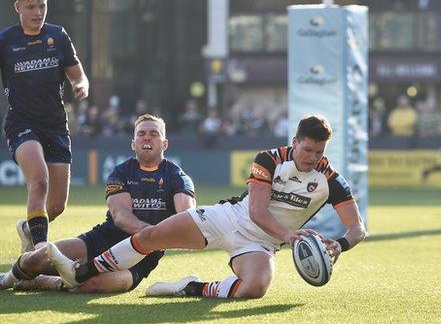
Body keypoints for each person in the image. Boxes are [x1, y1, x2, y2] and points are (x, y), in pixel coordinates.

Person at [48, 114, 366, 299]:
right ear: (295, 142)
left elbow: (357, 229)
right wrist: (292, 235)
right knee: (153, 236)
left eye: (318, 151)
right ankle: (82, 272)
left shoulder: (331, 180)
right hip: (226, 218)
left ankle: (191, 286)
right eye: (307, 149)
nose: (312, 157)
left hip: (262, 243)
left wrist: (338, 245)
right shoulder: (270, 158)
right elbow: (256, 212)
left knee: (254, 288)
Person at [0, 114, 196, 293]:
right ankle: (5, 279)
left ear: (164, 143)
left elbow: (186, 218)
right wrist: (155, 233)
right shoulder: (121, 172)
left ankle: (39, 282)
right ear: (133, 143)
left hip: (142, 256)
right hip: (104, 239)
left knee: (92, 285)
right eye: (141, 134)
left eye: (153, 134)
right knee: (38, 259)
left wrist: (154, 239)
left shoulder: (178, 177)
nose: (147, 138)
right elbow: (121, 217)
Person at [0, 0, 89, 252]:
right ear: (18, 7)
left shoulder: (58, 36)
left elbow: (78, 73)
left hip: (56, 125)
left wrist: (81, 85)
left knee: (57, 205)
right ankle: (38, 252)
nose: (38, 12)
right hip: (22, 123)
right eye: (31, 7)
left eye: (42, 6)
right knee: (39, 180)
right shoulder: (4, 42)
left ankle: (29, 229)